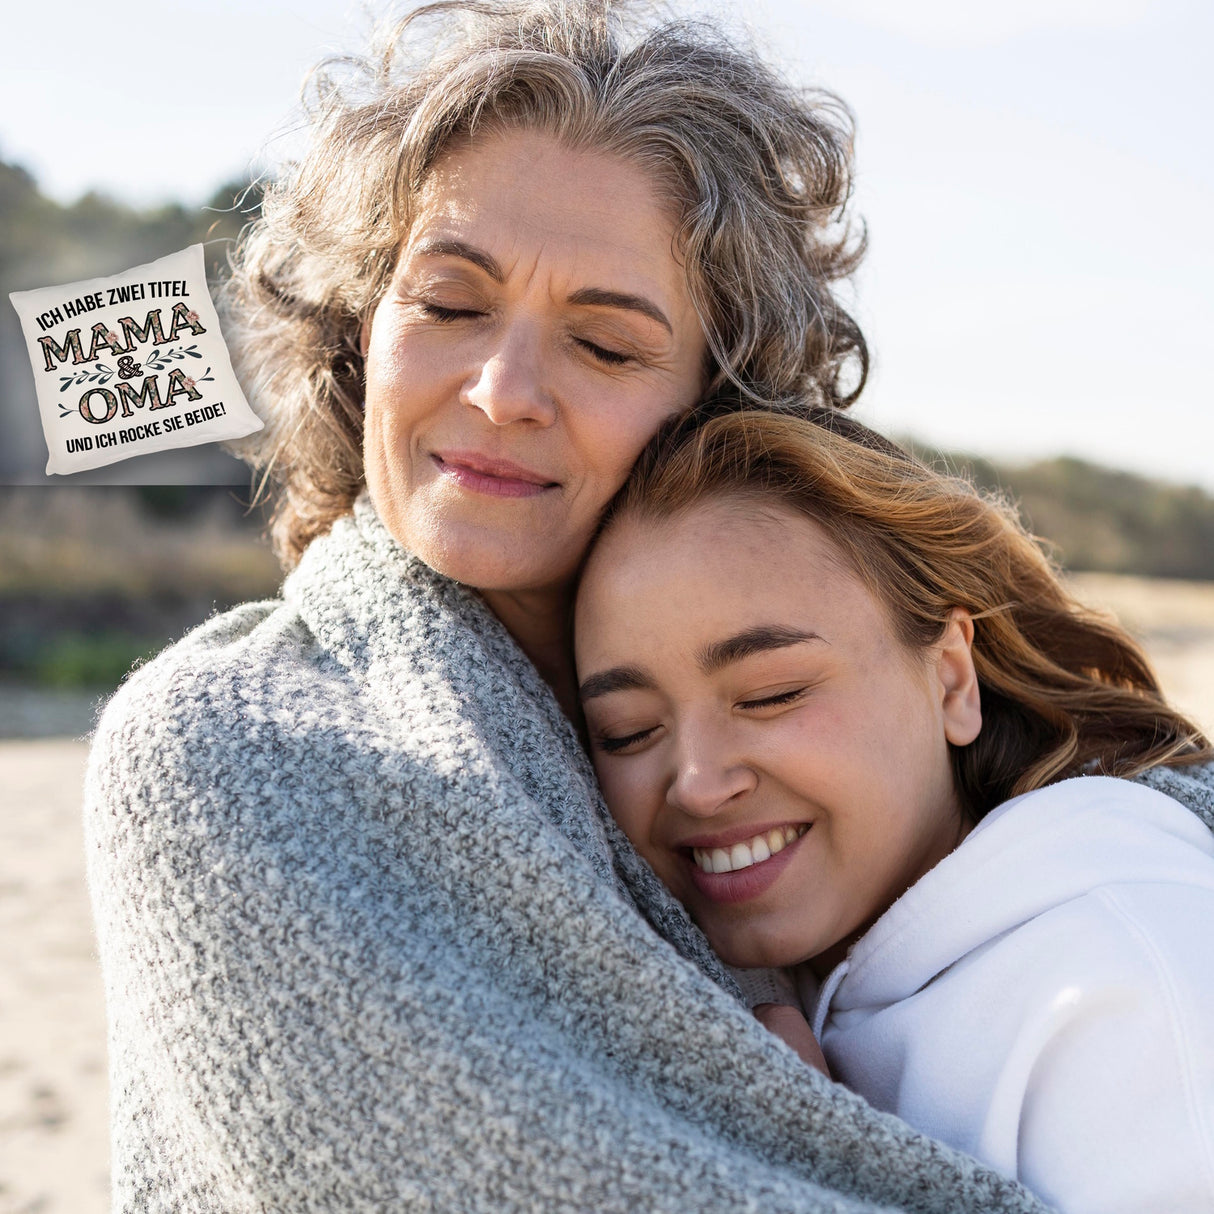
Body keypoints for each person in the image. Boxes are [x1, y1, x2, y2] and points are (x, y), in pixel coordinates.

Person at [81, 3, 1065, 1210]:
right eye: (447, 304)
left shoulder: (881, 724)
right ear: (356, 333)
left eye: (603, 344)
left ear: (721, 399)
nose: (501, 392)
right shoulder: (223, 744)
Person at [574, 405, 1214, 1214]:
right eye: (626, 732)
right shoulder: (759, 968)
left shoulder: (1133, 994)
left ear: (950, 679)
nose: (697, 783)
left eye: (772, 694)